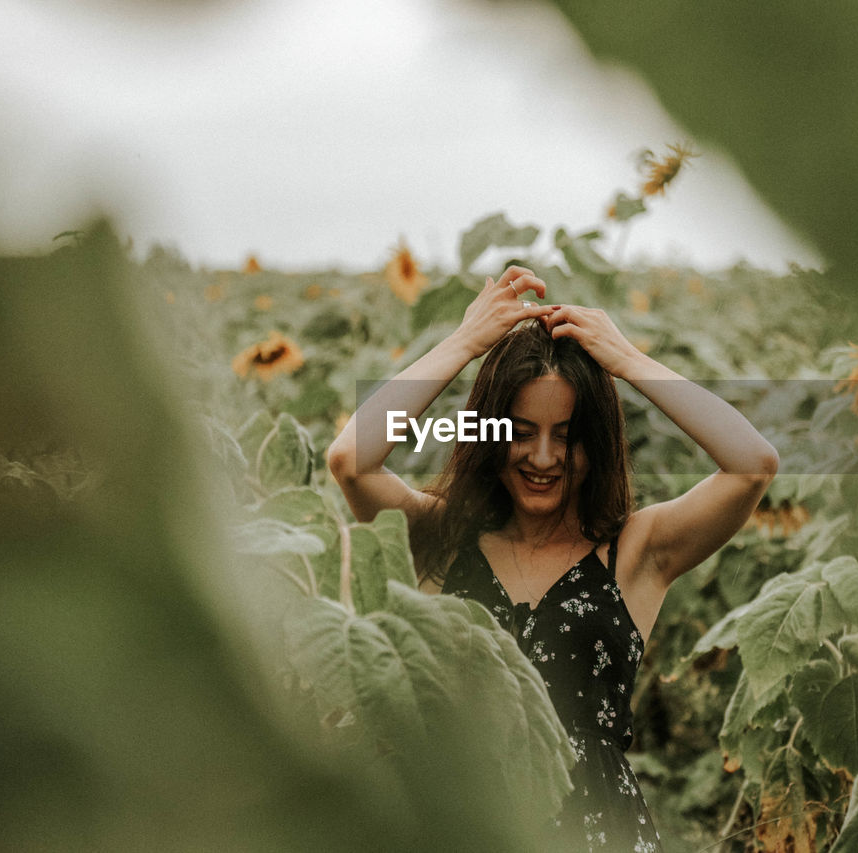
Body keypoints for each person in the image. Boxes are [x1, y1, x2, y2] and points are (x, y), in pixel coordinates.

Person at [326, 265, 778, 852]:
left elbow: (752, 464)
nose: (543, 457)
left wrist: (627, 360)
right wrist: (465, 343)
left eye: (567, 434)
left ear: (596, 442)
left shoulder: (636, 550)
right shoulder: (439, 535)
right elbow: (351, 459)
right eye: (520, 431)